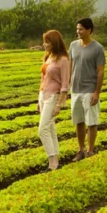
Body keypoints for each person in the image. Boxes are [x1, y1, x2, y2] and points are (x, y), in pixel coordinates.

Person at [68, 17, 105, 161]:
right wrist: (67, 87)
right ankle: (81, 150)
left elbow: (100, 71)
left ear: (89, 30)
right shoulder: (73, 45)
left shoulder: (98, 48)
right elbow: (70, 66)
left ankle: (90, 150)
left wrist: (97, 92)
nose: (78, 31)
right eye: (77, 29)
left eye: (81, 29)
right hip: (75, 89)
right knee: (79, 121)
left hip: (90, 89)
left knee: (91, 121)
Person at [38, 29, 70, 171]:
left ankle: (52, 162)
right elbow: (43, 78)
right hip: (43, 95)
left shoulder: (63, 60)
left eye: (47, 42)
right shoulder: (48, 57)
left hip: (53, 97)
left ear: (54, 43)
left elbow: (65, 84)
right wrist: (38, 99)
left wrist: (59, 104)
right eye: (44, 41)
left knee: (43, 129)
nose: (44, 44)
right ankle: (55, 162)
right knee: (50, 128)